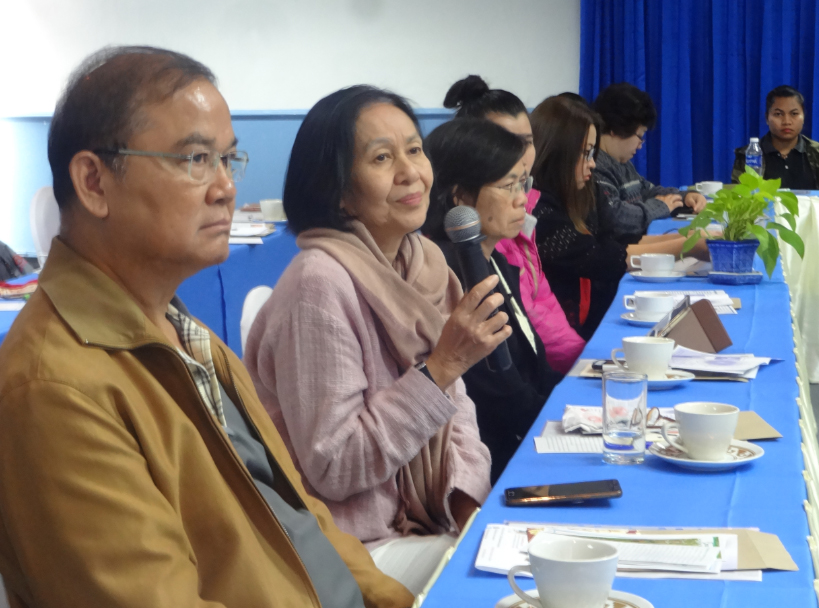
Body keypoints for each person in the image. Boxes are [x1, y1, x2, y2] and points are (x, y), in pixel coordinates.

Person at [0, 47, 414, 608]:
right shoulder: (55, 390)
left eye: (227, 159)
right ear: (94, 182)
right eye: (195, 159)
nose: (225, 187)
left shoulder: (183, 331)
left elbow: (301, 513)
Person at [244, 86, 495, 595]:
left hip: (426, 521)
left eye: (415, 149)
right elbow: (335, 466)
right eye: (382, 158)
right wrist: (438, 370)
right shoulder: (318, 284)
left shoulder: (424, 263)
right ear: (338, 189)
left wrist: (467, 502)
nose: (410, 172)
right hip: (352, 548)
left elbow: (459, 412)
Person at [422, 117, 563, 483]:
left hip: (524, 437)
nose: (522, 199)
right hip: (493, 462)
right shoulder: (448, 274)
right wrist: (572, 424)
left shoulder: (494, 258)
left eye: (523, 183)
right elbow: (501, 396)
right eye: (507, 186)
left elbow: (533, 366)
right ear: (460, 197)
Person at [530, 96, 709, 340]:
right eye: (585, 154)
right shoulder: (541, 211)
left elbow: (612, 241)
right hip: (571, 333)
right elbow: (602, 258)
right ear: (559, 152)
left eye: (592, 153)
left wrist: (689, 237)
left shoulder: (582, 190)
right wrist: (687, 246)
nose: (592, 164)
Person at [442, 75, 586, 373]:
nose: (518, 153)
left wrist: (584, 361)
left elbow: (543, 302)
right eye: (505, 142)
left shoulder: (523, 205)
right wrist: (582, 365)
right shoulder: (480, 237)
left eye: (527, 142)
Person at [592, 82, 707, 239]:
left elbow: (648, 191)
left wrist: (684, 197)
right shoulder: (595, 166)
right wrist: (661, 206)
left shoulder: (622, 163)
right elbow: (616, 219)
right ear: (617, 129)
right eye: (640, 136)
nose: (640, 146)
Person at [732, 85, 819, 189]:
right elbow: (740, 195)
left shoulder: (816, 152)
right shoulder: (749, 155)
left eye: (794, 114)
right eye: (778, 114)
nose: (786, 121)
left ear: (803, 117)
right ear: (767, 118)